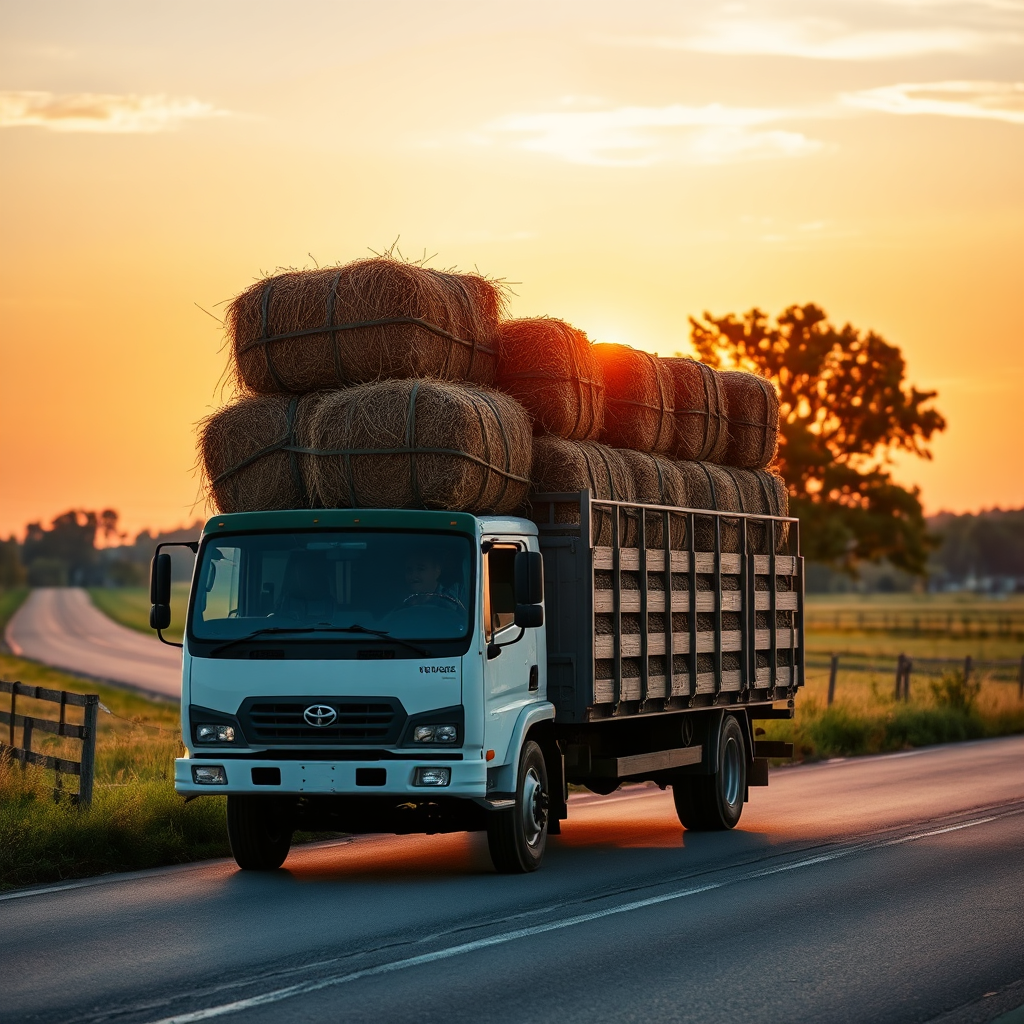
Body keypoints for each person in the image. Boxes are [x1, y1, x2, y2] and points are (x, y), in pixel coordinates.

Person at [401, 549, 465, 612]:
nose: (413, 575)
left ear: (437, 569)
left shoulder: (455, 600)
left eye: (420, 569)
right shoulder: (400, 603)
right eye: (409, 570)